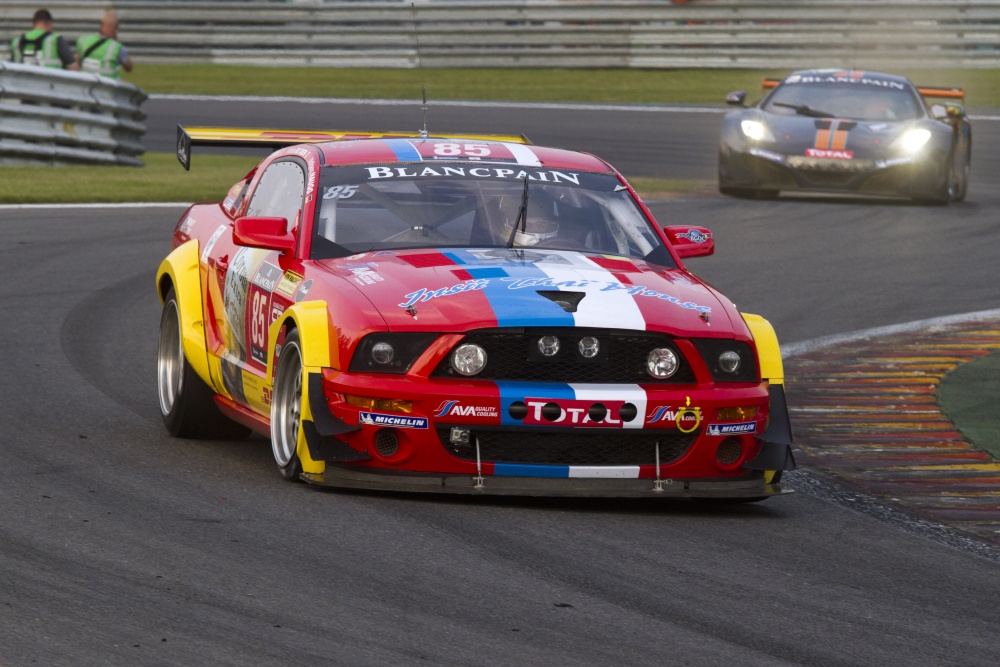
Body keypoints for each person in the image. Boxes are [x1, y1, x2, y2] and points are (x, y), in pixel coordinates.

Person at [9, 8, 78, 70]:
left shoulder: (16, 42)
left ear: (33, 24)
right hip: (50, 82)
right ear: (49, 23)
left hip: (19, 83)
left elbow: (9, 68)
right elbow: (73, 67)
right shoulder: (56, 39)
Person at [75, 10, 133, 78]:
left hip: (86, 85)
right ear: (117, 27)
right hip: (106, 87)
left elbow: (75, 64)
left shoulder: (84, 40)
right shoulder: (117, 48)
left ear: (101, 24)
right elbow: (129, 68)